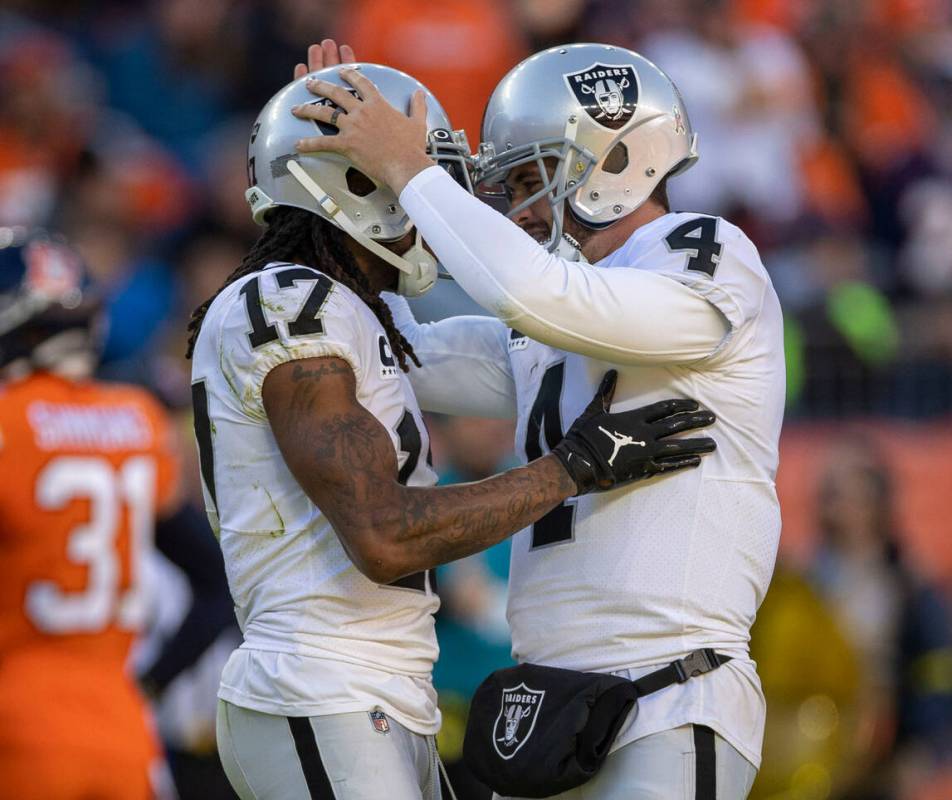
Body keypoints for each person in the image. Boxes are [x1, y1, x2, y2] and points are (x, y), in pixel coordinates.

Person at [188, 54, 718, 800]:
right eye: (402, 172)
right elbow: (384, 534)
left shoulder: (349, 312)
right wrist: (570, 468)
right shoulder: (287, 298)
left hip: (375, 688)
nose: (437, 201)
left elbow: (531, 337)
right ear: (355, 182)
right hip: (319, 682)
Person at [0, 229, 232, 799]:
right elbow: (214, 583)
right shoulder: (137, 421)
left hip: (18, 725)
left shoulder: (11, 426)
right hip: (123, 732)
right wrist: (150, 685)